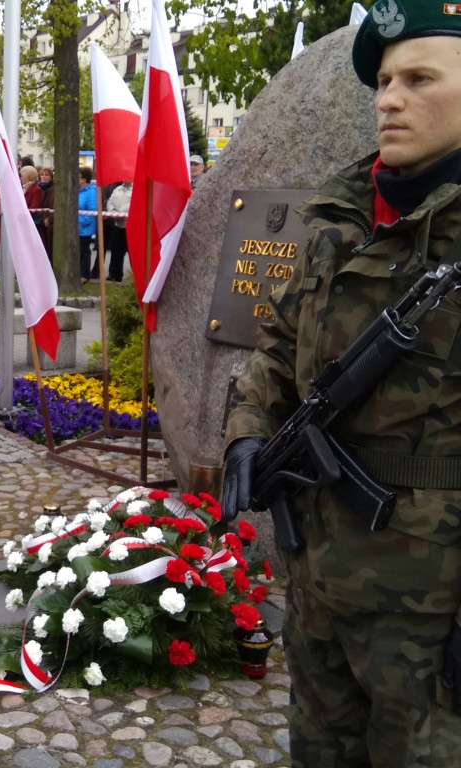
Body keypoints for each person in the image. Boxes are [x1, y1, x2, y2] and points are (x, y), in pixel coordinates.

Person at [222, 3, 461, 765]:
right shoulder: (342, 212)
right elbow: (278, 343)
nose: (389, 98)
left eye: (419, 79)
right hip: (321, 572)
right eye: (384, 80)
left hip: (429, 600)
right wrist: (250, 432)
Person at [106, 180, 132, 281]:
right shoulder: (117, 189)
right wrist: (113, 212)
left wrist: (121, 212)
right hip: (117, 225)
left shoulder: (135, 190)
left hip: (129, 226)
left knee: (132, 253)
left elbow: (134, 202)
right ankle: (114, 274)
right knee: (116, 251)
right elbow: (110, 201)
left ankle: (135, 276)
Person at [77, 166, 96, 282]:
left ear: (84, 179)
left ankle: (85, 275)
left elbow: (91, 211)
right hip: (77, 227)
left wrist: (78, 221)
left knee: (84, 251)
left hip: (84, 228)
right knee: (79, 251)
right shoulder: (78, 191)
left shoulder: (91, 192)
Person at [38, 166, 55, 261]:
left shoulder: (53, 189)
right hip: (40, 220)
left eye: (46, 175)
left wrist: (48, 218)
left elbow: (51, 206)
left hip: (48, 221)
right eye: (42, 175)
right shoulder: (39, 188)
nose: (44, 177)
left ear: (51, 177)